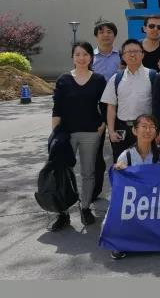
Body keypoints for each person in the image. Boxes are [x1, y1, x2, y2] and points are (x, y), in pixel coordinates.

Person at [48, 42, 107, 232]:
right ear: (72, 57)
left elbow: (105, 105)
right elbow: (57, 108)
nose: (81, 58)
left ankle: (85, 207)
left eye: (85, 54)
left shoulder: (98, 79)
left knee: (88, 173)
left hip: (91, 132)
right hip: (67, 133)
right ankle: (63, 213)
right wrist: (55, 134)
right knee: (63, 172)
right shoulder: (64, 79)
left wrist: (102, 125)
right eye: (78, 54)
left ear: (91, 57)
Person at [110, 114, 160, 259]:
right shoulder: (126, 156)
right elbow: (119, 188)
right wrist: (119, 170)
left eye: (152, 127)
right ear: (135, 131)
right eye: (144, 126)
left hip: (156, 200)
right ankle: (121, 244)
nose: (148, 130)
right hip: (134, 203)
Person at [100, 39, 155, 164]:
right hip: (122, 130)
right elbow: (111, 107)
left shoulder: (152, 76)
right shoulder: (116, 78)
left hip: (145, 130)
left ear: (143, 54)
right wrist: (111, 131)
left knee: (146, 165)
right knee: (122, 166)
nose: (132, 54)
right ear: (123, 56)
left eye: (136, 51)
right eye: (128, 52)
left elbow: (158, 106)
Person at [91, 19, 120, 202]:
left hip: (119, 106)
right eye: (101, 32)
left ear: (114, 35)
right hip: (96, 107)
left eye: (109, 31)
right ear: (96, 36)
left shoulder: (122, 56)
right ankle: (94, 190)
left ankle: (121, 189)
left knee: (119, 147)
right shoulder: (89, 57)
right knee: (96, 151)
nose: (105, 35)